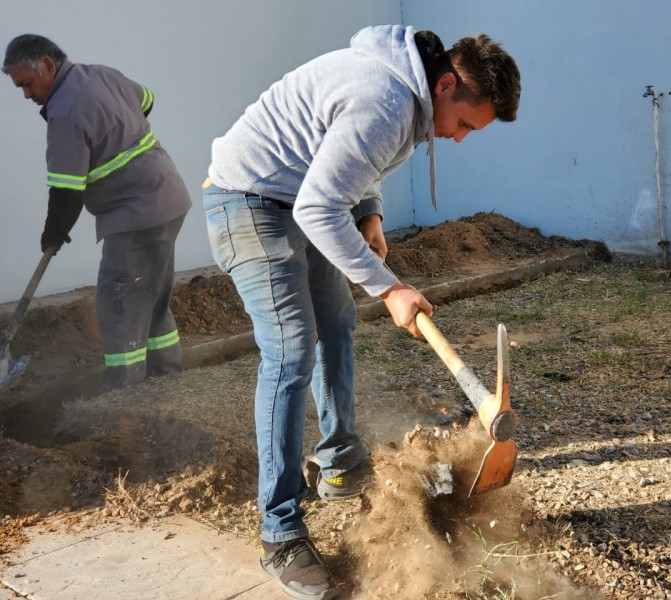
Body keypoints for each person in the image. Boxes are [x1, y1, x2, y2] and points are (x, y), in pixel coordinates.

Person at [203, 24, 520, 600]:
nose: (460, 139)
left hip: (298, 199)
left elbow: (348, 162)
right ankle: (279, 532)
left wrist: (370, 212)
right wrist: (389, 288)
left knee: (336, 324)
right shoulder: (388, 99)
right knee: (290, 348)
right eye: (466, 124)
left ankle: (341, 464)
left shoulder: (409, 94)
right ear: (447, 84)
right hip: (248, 199)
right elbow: (321, 204)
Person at [3, 34, 191, 392]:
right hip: (167, 199)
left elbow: (66, 192)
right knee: (151, 299)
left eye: (27, 84)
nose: (27, 95)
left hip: (136, 216)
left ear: (47, 65)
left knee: (120, 307)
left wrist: (53, 232)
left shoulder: (65, 114)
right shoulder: (103, 74)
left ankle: (123, 397)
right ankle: (167, 381)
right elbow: (147, 100)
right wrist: (116, 132)